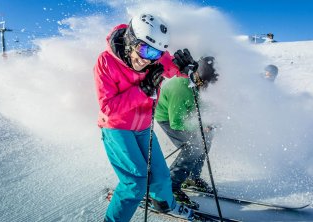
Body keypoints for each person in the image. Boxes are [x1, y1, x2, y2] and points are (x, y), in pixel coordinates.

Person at [94, 13, 200, 222]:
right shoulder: (106, 62)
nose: (147, 60)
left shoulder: (153, 58)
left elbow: (173, 68)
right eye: (144, 50)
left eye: (155, 54)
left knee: (160, 176)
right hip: (117, 129)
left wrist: (189, 70)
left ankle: (164, 203)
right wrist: (142, 91)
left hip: (143, 127)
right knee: (136, 182)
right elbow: (107, 108)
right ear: (130, 40)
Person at [155, 56, 219, 208]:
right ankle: (170, 186)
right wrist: (200, 127)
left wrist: (210, 122)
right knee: (193, 147)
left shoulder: (202, 83)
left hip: (188, 113)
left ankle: (191, 177)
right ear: (196, 75)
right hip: (168, 118)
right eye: (204, 83)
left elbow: (206, 105)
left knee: (206, 139)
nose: (207, 87)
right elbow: (176, 123)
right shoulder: (180, 88)